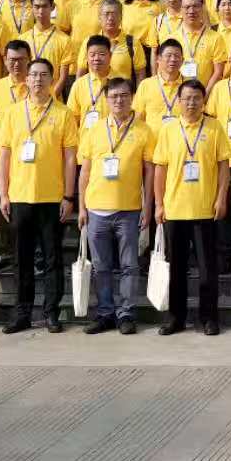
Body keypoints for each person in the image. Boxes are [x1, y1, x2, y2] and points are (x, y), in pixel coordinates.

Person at [0, 57, 77, 333]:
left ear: (52, 79)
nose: (38, 79)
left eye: (44, 75)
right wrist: (3, 193)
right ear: (26, 79)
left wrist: (68, 196)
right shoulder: (12, 113)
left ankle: (51, 312)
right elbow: (4, 155)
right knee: (22, 259)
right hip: (20, 197)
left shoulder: (64, 113)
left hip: (52, 198)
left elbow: (70, 157)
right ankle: (22, 313)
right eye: (33, 75)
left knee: (53, 259)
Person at [151, 77, 230, 335]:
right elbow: (160, 169)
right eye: (186, 98)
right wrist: (158, 204)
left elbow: (223, 167)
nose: (191, 103)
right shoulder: (169, 129)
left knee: (208, 269)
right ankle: (176, 318)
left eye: (197, 98)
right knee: (177, 268)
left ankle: (208, 318)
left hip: (205, 210)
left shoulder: (215, 127)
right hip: (175, 209)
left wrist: (221, 198)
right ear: (178, 101)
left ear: (203, 101)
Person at [77, 77, 149, 334]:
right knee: (101, 267)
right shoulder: (94, 130)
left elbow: (149, 173)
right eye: (114, 96)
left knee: (129, 266)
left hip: (129, 210)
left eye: (124, 95)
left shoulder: (144, 131)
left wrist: (148, 207)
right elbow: (85, 172)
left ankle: (126, 313)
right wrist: (82, 207)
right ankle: (105, 312)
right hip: (96, 210)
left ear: (132, 98)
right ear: (106, 100)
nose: (119, 100)